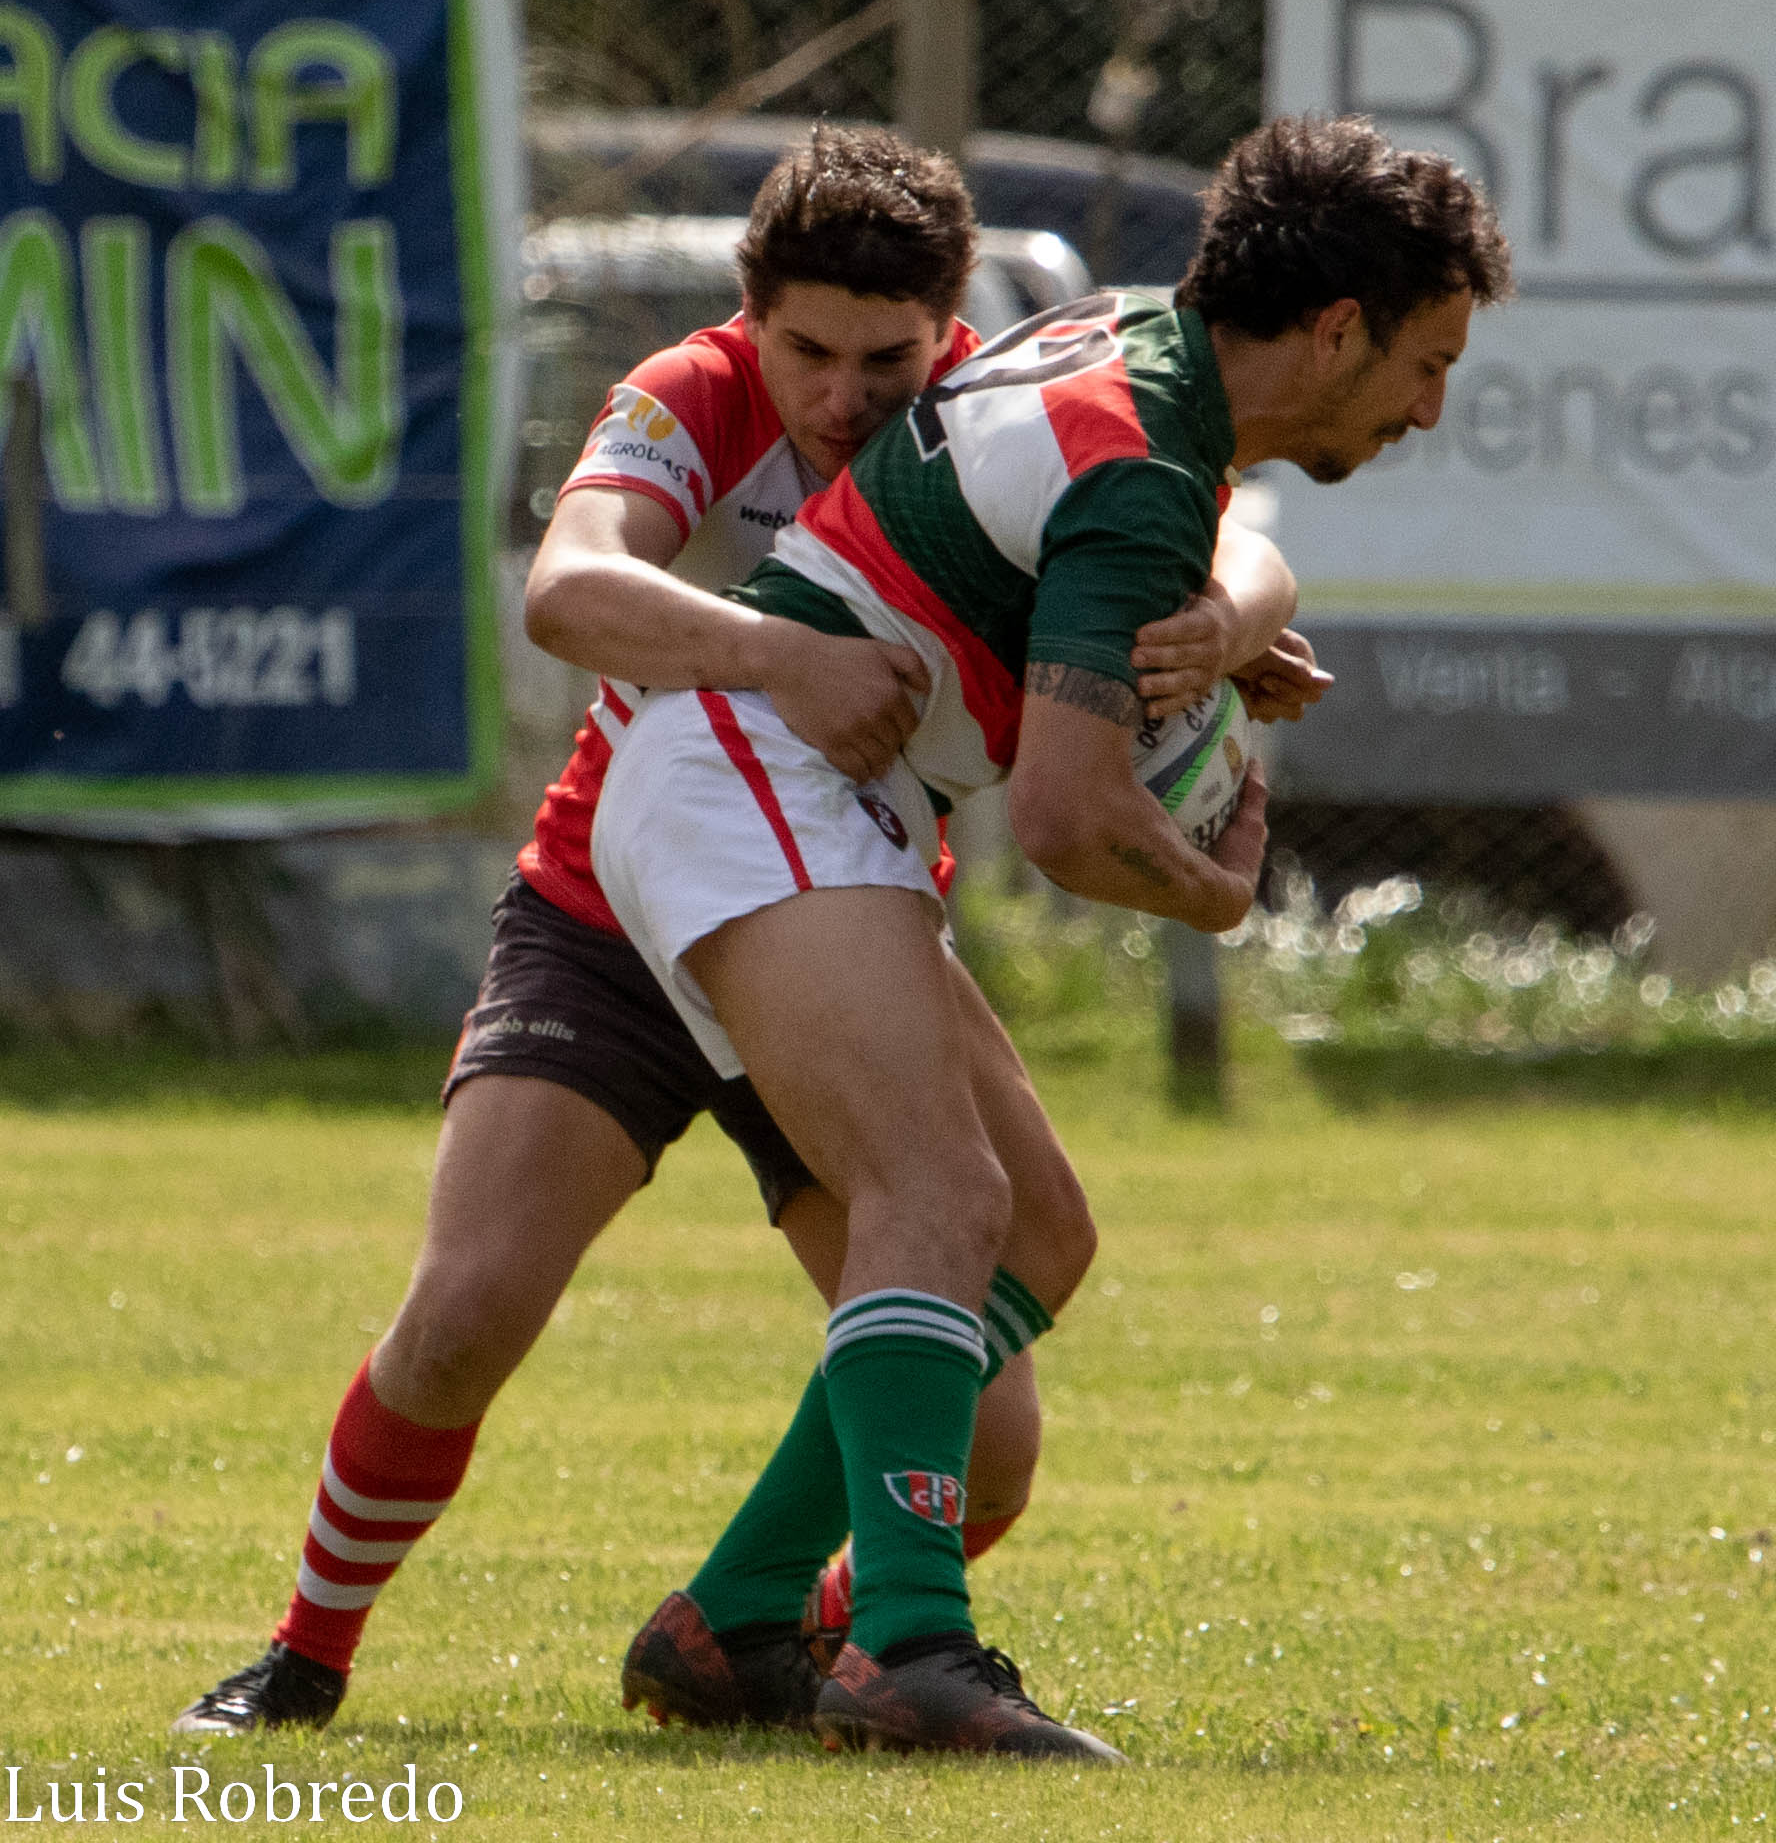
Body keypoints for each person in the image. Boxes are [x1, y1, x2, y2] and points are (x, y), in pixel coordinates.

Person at [170, 125, 1314, 1738]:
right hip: (608, 913)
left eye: (888, 357)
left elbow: (1221, 533)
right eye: (809, 351)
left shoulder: (998, 404)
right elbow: (569, 590)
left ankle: (753, 1625)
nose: (846, 396)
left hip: (843, 906)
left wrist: (1233, 618)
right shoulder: (689, 390)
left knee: (986, 1442)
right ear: (749, 313)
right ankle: (304, 1657)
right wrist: (780, 662)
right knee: (466, 1313)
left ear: (949, 330)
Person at [597, 113, 1513, 1760]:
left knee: (1033, 1240)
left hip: (794, 788)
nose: (1430, 407)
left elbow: (1188, 552)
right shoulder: (1145, 459)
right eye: (1426, 362)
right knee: (940, 1197)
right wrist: (1222, 886)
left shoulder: (1145, 361)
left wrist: (1234, 621)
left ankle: (736, 1614)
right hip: (752, 771)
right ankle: (910, 1652)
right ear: (1334, 331)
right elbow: (1073, 821)